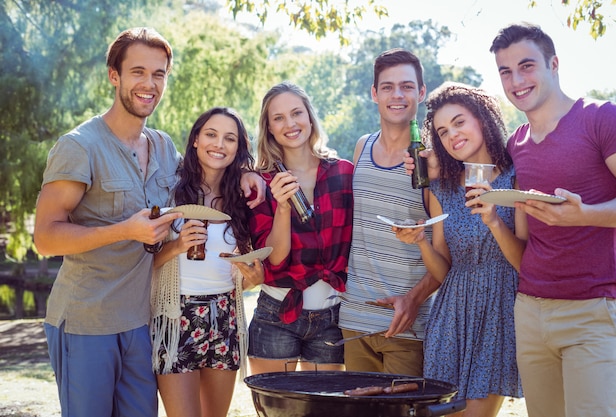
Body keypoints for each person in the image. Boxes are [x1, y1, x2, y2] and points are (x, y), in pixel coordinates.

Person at [33, 28, 264, 417]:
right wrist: (125, 230)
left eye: (159, 74)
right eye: (138, 71)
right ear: (114, 75)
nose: (149, 84)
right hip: (88, 321)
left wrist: (244, 171)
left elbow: (205, 174)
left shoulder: (162, 146)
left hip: (143, 322)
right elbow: (45, 238)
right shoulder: (79, 146)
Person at [489, 23, 616, 417]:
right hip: (530, 311)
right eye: (505, 71)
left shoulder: (602, 119)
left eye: (526, 66)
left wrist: (588, 216)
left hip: (593, 312)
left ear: (554, 64)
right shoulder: (516, 143)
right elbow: (528, 239)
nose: (516, 81)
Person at [396, 82, 525, 417]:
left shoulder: (516, 179)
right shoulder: (442, 188)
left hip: (499, 313)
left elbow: (525, 263)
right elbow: (445, 271)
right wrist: (421, 241)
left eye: (459, 122)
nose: (452, 134)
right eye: (442, 130)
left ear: (482, 119)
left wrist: (494, 220)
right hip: (450, 316)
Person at [150, 107, 264, 417]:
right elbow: (142, 264)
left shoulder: (241, 197)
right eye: (211, 134)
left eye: (230, 138)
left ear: (238, 149)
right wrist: (177, 246)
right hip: (176, 317)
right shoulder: (168, 188)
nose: (219, 144)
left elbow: (245, 273)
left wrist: (252, 277)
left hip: (225, 317)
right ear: (196, 139)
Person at [337, 48, 440, 376]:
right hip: (354, 320)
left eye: (407, 86)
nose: (397, 95)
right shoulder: (361, 147)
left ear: (421, 93)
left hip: (406, 324)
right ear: (374, 93)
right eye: (387, 87)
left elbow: (447, 252)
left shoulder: (433, 163)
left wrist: (413, 299)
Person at [246, 81, 353, 374]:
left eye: (296, 113)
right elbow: (276, 258)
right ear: (268, 128)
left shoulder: (343, 173)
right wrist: (282, 205)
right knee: (276, 409)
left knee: (324, 409)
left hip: (331, 317)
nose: (290, 124)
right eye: (278, 118)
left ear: (309, 117)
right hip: (276, 315)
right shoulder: (261, 184)